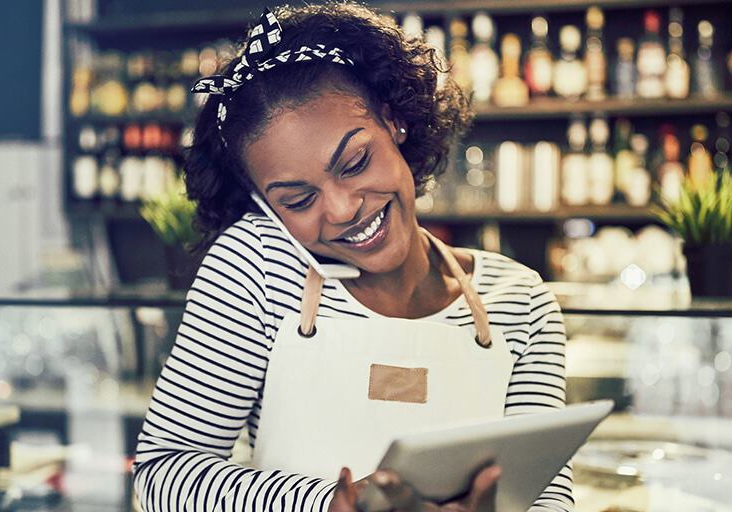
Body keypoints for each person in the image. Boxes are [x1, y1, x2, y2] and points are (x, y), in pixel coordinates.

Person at [133, 3, 572, 511]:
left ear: (395, 122)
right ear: (264, 206)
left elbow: (546, 500)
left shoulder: (521, 302)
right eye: (298, 201)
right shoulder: (258, 266)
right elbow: (163, 475)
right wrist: (335, 504)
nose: (341, 209)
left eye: (355, 162)